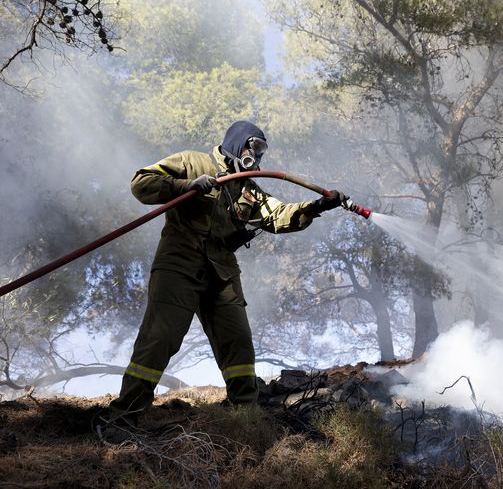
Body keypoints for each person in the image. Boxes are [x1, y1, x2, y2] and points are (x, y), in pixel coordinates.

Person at [106, 120, 345, 420]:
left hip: (222, 273)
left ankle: (244, 415)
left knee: (238, 342)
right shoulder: (192, 161)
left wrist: (315, 207)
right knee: (160, 337)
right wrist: (186, 185)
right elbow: (141, 182)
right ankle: (126, 413)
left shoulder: (248, 190)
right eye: (253, 147)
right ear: (237, 142)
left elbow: (278, 215)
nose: (256, 157)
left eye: (261, 151)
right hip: (179, 265)